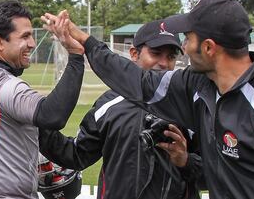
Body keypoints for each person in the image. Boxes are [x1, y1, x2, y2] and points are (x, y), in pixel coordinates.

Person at [42, 0, 254, 199]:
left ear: (208, 47)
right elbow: (141, 83)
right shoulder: (197, 86)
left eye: (188, 37)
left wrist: (185, 161)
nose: (183, 46)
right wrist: (86, 42)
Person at [39, 19, 203, 199]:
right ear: (134, 53)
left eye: (171, 56)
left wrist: (185, 161)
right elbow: (77, 154)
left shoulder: (190, 106)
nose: (164, 63)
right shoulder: (109, 104)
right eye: (156, 53)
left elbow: (214, 174)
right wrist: (37, 124)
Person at [0, 0, 84, 199]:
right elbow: (53, 116)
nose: (32, 43)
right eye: (25, 36)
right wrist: (75, 55)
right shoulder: (5, 86)